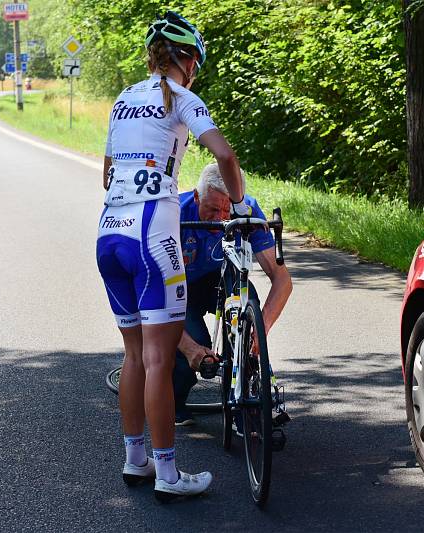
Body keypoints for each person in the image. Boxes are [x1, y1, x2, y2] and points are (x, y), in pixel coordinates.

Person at [96, 11, 251, 502]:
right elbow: (224, 157)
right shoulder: (182, 98)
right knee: (161, 358)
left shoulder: (123, 99)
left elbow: (106, 174)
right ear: (188, 60)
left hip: (108, 235)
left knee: (134, 354)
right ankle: (167, 473)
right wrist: (241, 204)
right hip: (150, 237)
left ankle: (135, 460)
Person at [173, 163, 293, 426]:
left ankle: (243, 401)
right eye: (213, 209)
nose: (220, 219)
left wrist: (261, 327)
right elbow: (153, 296)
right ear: (196, 196)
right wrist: (189, 347)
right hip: (181, 289)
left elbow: (282, 280)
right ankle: (174, 400)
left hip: (223, 281)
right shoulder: (174, 213)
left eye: (227, 210)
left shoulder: (247, 210)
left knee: (246, 302)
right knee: (193, 351)